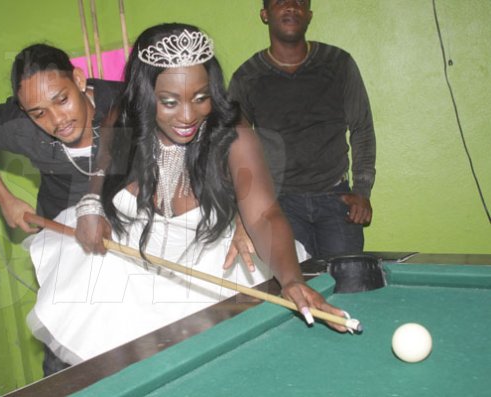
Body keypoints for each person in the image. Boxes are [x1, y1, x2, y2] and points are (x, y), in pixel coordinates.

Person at [28, 22, 350, 373]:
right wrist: (91, 204)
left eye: (201, 97)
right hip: (132, 247)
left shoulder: (232, 131)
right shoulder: (125, 114)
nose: (187, 115)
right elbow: (105, 160)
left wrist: (292, 281)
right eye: (169, 101)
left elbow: (264, 214)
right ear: (145, 95)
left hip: (208, 249)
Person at [229, 0, 376, 259]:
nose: (291, 6)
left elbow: (361, 128)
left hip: (337, 200)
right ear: (265, 14)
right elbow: (234, 146)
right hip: (278, 204)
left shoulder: (338, 64)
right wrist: (244, 210)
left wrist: (362, 191)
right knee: (292, 290)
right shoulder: (247, 76)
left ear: (308, 14)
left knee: (346, 287)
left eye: (299, 2)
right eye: (280, 1)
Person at [0, 43, 122, 229]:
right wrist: (5, 200)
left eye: (62, 100)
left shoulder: (129, 106)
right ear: (24, 110)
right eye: (39, 113)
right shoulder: (21, 126)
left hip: (131, 223)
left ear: (78, 80)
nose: (57, 120)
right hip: (65, 232)